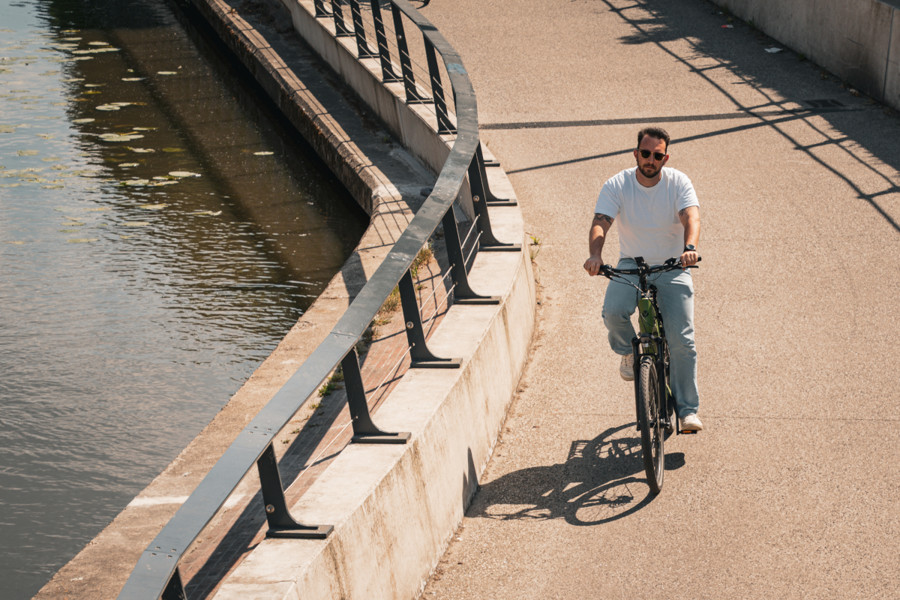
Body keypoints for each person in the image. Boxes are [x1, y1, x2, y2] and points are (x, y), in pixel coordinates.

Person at [583, 127, 703, 431]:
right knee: (613, 311)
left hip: (673, 265)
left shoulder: (678, 182)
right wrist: (595, 255)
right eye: (646, 153)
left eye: (657, 155)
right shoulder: (618, 184)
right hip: (630, 264)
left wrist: (690, 248)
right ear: (636, 153)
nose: (651, 160)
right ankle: (627, 353)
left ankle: (687, 411)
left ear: (665, 157)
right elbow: (601, 222)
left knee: (682, 342)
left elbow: (691, 216)